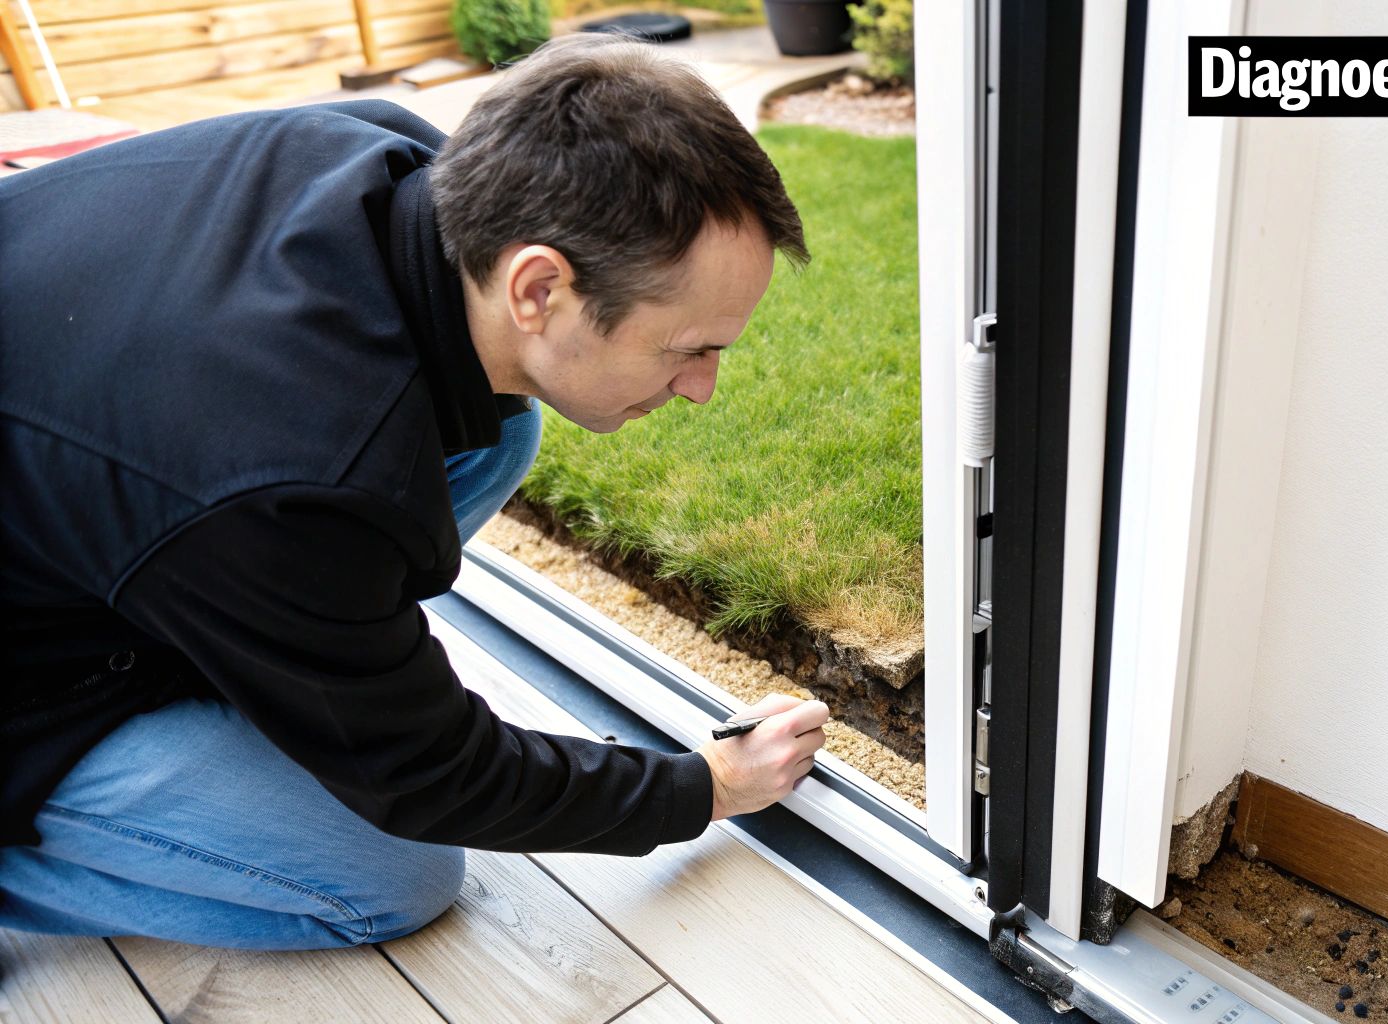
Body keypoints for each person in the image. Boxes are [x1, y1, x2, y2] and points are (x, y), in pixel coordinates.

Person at [0, 34, 830, 950]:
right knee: (390, 880)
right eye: (690, 348)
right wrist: (705, 788)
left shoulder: (384, 156)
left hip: (95, 513)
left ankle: (266, 652)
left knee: (501, 423)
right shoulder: (294, 476)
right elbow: (431, 777)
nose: (704, 386)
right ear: (539, 287)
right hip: (32, 678)